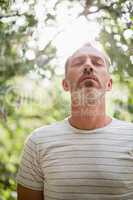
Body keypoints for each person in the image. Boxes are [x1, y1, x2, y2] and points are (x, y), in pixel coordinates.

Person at [16, 42, 133, 200]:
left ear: (109, 84)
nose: (88, 67)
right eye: (78, 63)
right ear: (65, 84)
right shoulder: (38, 142)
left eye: (97, 63)